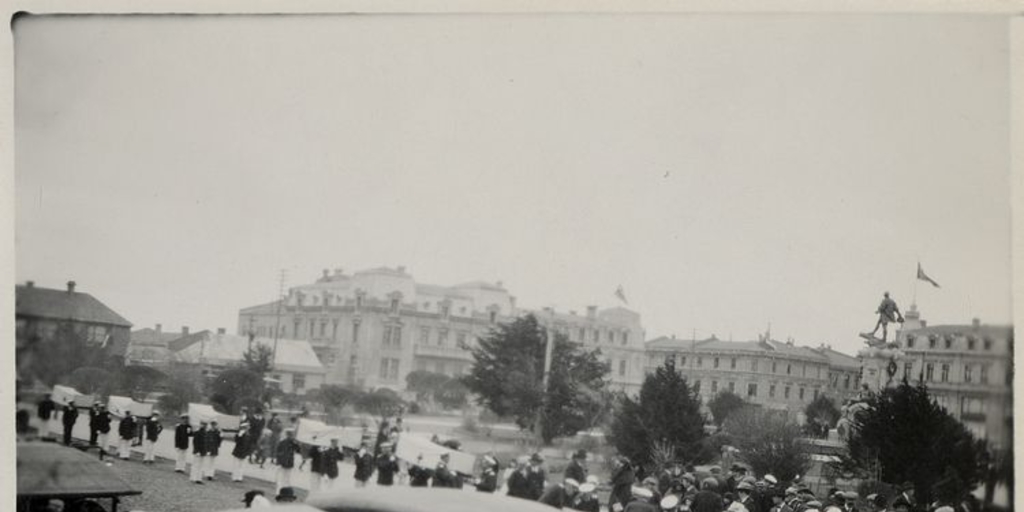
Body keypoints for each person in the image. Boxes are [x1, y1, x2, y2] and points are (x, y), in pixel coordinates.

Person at [275, 428, 300, 493]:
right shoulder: (285, 442)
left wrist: (297, 443)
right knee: (284, 478)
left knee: (285, 478)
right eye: (290, 434)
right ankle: (280, 491)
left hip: (287, 462)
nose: (291, 436)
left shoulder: (291, 443)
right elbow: (278, 452)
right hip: (285, 462)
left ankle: (281, 491)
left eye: (291, 435)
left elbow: (298, 450)